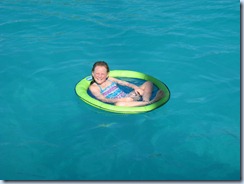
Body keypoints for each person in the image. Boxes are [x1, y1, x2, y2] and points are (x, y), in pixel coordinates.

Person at [89, 61, 164, 107]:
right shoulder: (94, 87)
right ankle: (152, 102)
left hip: (128, 97)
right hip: (121, 101)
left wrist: (136, 88)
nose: (99, 76)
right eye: (97, 73)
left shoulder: (110, 79)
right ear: (93, 73)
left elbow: (125, 83)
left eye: (102, 74)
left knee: (148, 83)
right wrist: (123, 99)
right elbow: (103, 99)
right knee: (118, 105)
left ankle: (145, 100)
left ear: (107, 74)